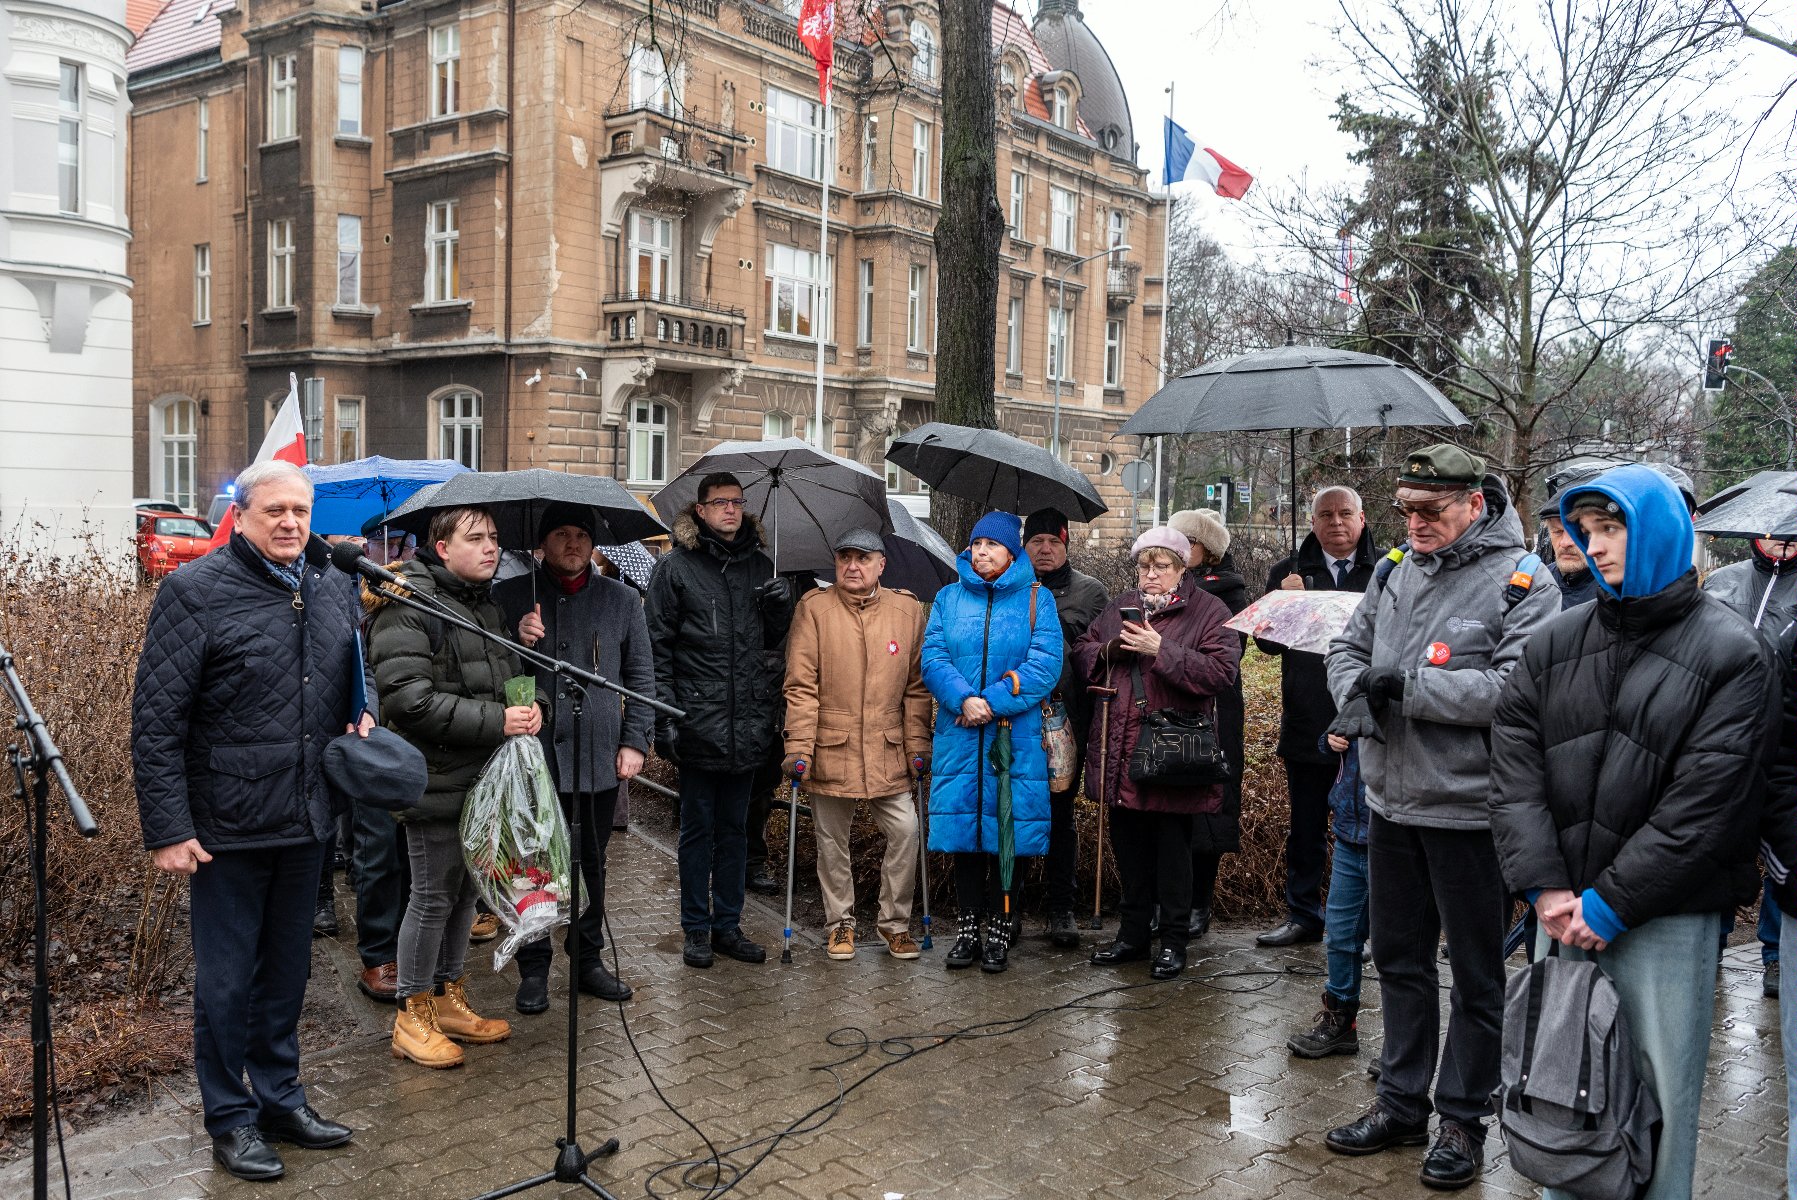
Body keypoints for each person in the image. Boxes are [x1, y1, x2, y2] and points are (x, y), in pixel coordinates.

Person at [1490, 465, 1782, 1200]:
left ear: (1658, 531)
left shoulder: (1733, 653)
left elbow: (1706, 804)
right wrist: (1544, 884)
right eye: (1586, 530)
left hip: (1663, 918)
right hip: (1561, 909)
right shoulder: (1553, 643)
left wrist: (1609, 903)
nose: (1595, 545)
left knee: (1655, 1110)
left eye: (1612, 527)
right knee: (1564, 1099)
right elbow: (1513, 768)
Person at [1322, 445, 1558, 1190]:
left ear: (1474, 504)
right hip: (1389, 801)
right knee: (1396, 963)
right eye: (1407, 508)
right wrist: (1359, 690)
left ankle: (1461, 1118)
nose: (1416, 522)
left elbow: (1514, 691)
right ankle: (1400, 1104)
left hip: (1469, 815)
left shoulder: (1525, 581)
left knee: (1478, 978)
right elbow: (1345, 646)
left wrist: (1411, 687)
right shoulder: (1394, 568)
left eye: (1432, 510)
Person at [131, 460, 368, 1180]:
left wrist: (366, 716)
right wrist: (169, 828)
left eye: (300, 510)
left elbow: (352, 682)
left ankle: (280, 1098)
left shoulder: (332, 588)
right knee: (228, 984)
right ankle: (229, 1118)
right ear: (241, 512)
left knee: (287, 975)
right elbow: (156, 721)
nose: (291, 523)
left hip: (305, 817)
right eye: (276, 512)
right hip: (225, 825)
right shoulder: (193, 592)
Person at [368, 505, 532, 1069]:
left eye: (494, 537)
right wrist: (498, 721)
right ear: (441, 547)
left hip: (483, 780)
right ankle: (411, 1014)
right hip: (433, 779)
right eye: (476, 538)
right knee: (432, 895)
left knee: (467, 893)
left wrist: (533, 708)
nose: (491, 547)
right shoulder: (410, 604)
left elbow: (503, 681)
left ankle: (445, 994)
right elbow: (408, 700)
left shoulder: (483, 604)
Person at [496, 502, 654, 1011]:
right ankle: (535, 967)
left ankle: (586, 959)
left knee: (591, 863)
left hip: (597, 756)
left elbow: (642, 675)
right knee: (534, 864)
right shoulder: (511, 596)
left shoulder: (623, 599)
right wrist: (515, 641)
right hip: (533, 756)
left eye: (581, 535)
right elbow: (488, 672)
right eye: (560, 534)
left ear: (594, 543)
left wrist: (635, 740)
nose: (572, 543)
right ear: (541, 544)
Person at [1076, 527, 1241, 981]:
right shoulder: (1119, 606)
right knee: (1128, 847)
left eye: (1161, 566)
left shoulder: (1209, 611)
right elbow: (1084, 650)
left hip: (1173, 749)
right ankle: (1131, 936)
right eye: (1143, 566)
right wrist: (1109, 649)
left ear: (1182, 569)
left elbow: (1221, 672)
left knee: (1173, 851)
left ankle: (1171, 941)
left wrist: (1160, 648)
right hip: (1121, 746)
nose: (1150, 575)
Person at [645, 472, 794, 969]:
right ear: (701, 510)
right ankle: (696, 927)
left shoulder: (763, 566)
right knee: (697, 830)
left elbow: (776, 645)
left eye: (737, 501)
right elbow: (656, 648)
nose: (730, 510)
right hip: (697, 721)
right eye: (720, 502)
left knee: (736, 829)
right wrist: (662, 715)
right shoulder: (676, 569)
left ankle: (728, 924)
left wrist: (780, 610)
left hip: (749, 722)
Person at [920, 512, 1063, 974]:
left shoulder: (1037, 600)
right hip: (960, 735)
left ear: (1011, 552)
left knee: (1009, 831)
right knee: (965, 834)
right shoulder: (946, 598)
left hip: (1012, 736)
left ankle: (1001, 931)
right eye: (976, 544)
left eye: (992, 545)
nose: (981, 552)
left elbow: (1045, 664)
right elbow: (934, 657)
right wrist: (964, 698)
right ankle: (965, 933)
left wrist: (991, 701)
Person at [782, 528, 933, 960]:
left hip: (887, 749)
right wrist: (799, 749)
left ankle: (895, 924)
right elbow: (800, 686)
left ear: (881, 564)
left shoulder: (906, 611)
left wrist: (917, 744)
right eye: (845, 557)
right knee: (832, 840)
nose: (853, 566)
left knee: (906, 831)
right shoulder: (814, 609)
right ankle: (840, 924)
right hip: (832, 746)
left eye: (863, 558)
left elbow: (917, 688)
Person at [1250, 487, 1376, 948]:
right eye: (1326, 515)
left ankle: (1363, 926)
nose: (1336, 522)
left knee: (1370, 832)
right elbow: (1264, 645)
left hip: (1367, 720)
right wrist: (1284, 604)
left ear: (1362, 519)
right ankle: (1304, 914)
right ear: (1312, 521)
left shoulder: (1385, 571)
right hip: (1307, 719)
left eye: (1346, 514)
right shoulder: (1289, 572)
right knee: (1306, 828)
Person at [1704, 535, 1797, 999]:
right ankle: (1711, 940)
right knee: (1719, 842)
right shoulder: (1724, 580)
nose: (1781, 541)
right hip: (1723, 738)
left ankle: (1777, 953)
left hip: (1784, 737)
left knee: (1784, 846)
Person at [1023, 508, 1110, 946]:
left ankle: (1061, 909)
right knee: (1014, 810)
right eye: (1036, 540)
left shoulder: (1090, 592)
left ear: (1066, 545)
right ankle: (1009, 908)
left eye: (1053, 541)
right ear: (1023, 546)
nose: (1044, 548)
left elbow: (1097, 654)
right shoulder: (1010, 589)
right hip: (1016, 718)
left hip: (1067, 720)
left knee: (1060, 816)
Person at [1165, 508, 1248, 940]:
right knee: (1171, 805)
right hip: (1169, 704)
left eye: (1186, 542)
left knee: (1208, 805)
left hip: (1215, 710)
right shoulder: (1166, 586)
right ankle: (1172, 900)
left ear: (1205, 551)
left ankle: (1201, 901)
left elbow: (1232, 654)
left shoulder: (1230, 593)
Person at [1286, 732, 1370, 1058]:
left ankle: (1405, 1047)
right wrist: (1329, 739)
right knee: (1338, 933)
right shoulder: (1354, 687)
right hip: (1350, 829)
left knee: (1398, 947)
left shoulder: (1407, 683)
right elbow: (1330, 737)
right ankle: (1341, 1024)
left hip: (1393, 833)